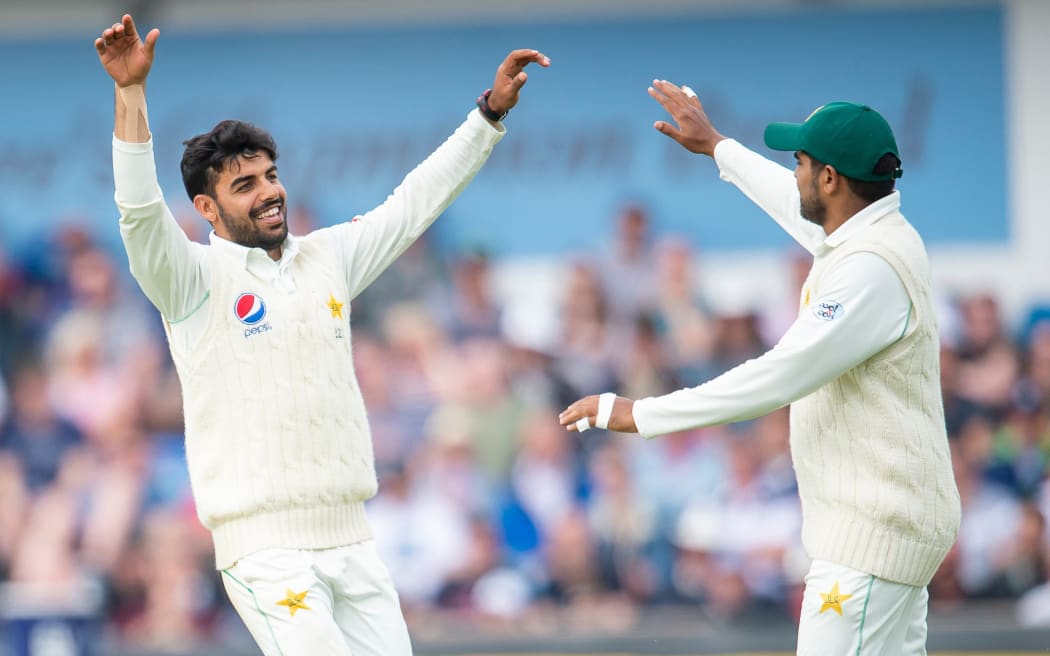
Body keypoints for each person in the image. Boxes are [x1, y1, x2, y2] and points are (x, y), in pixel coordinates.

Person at [94, 14, 548, 655]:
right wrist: (129, 95)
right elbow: (139, 214)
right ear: (206, 209)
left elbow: (413, 204)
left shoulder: (326, 258)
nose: (269, 194)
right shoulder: (190, 278)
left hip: (353, 540)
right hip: (264, 551)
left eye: (271, 176)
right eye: (244, 186)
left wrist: (489, 115)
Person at [559, 81, 961, 655]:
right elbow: (798, 214)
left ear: (830, 180)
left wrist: (641, 413)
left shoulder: (871, 266)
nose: (793, 172)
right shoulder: (869, 234)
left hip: (869, 540)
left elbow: (781, 374)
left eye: (800, 161)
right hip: (885, 532)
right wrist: (719, 147)